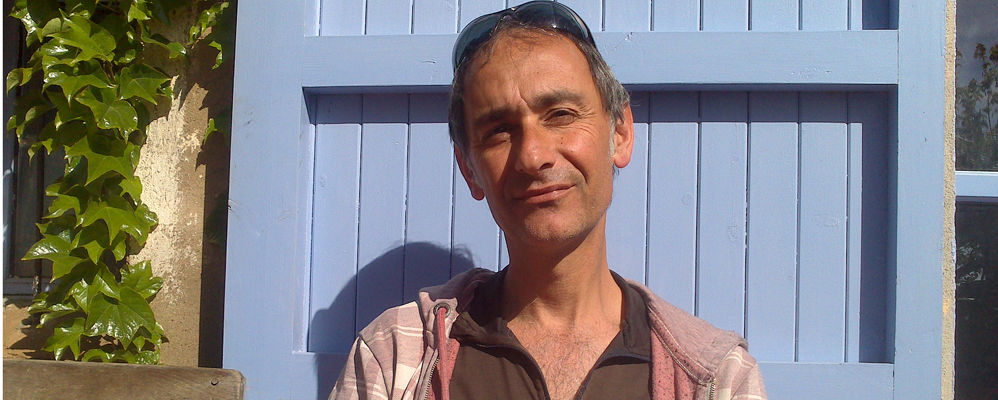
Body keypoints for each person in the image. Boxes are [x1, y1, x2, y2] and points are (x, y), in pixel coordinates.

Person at [330, 2, 766, 399]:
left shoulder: (716, 377)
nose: (532, 155)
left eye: (560, 115)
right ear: (469, 170)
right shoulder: (391, 359)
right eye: (499, 130)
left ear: (619, 133)